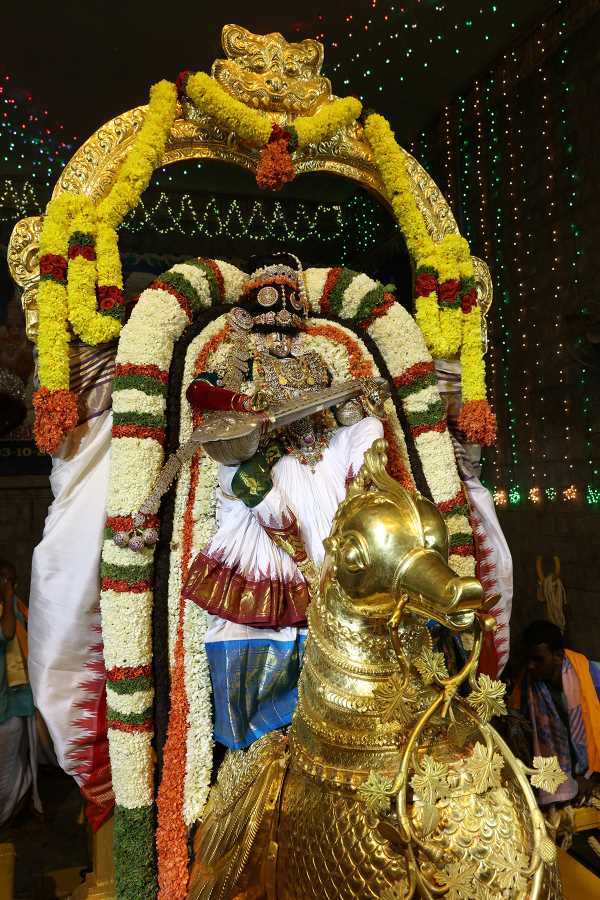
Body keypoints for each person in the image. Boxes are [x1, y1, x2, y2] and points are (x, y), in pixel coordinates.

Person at [182, 253, 384, 749]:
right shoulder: (237, 360)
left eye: (289, 324)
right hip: (265, 472)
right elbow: (200, 394)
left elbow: (346, 419)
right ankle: (262, 749)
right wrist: (243, 406)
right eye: (272, 321)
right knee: (265, 613)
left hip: (324, 475)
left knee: (370, 432)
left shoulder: (315, 360)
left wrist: (360, 403)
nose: (280, 337)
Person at [511, 619, 600, 805]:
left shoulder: (592, 676)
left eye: (538, 659)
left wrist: (592, 776)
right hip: (561, 784)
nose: (531, 666)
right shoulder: (527, 688)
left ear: (558, 656)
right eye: (528, 659)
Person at [0, 559, 41, 825]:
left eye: (12, 580)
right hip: (4, 701)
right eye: (4, 580)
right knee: (6, 767)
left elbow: (34, 631)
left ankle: (14, 809)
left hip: (18, 698)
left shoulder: (15, 606)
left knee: (18, 760)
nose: (9, 585)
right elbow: (7, 633)